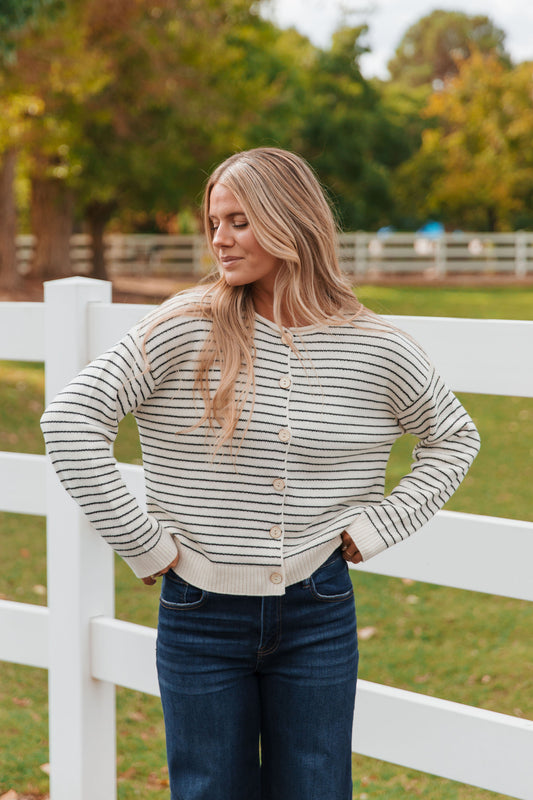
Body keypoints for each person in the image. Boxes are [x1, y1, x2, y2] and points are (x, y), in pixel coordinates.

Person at [41, 147, 480, 800]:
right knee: (209, 790)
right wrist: (145, 543)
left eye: (239, 221)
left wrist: (377, 526)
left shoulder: (375, 347)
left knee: (316, 788)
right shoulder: (184, 326)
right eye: (214, 222)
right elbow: (70, 422)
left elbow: (453, 437)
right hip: (197, 612)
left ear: (290, 219)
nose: (219, 239)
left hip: (318, 609)